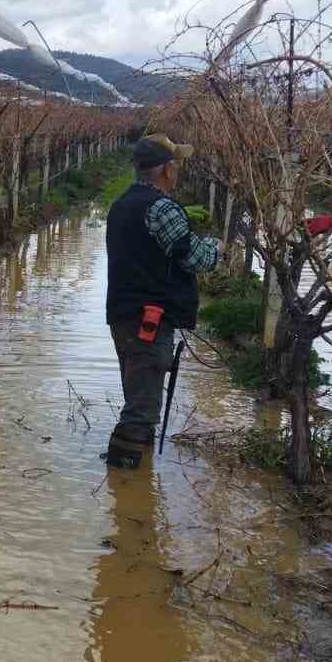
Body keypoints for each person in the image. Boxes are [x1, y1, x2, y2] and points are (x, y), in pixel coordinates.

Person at [103, 136, 221, 468]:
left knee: (140, 394)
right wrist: (217, 249)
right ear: (167, 169)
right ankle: (125, 491)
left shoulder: (122, 203)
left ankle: (136, 478)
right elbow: (195, 258)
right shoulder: (162, 208)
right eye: (176, 164)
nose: (179, 169)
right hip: (148, 319)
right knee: (142, 408)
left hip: (124, 316)